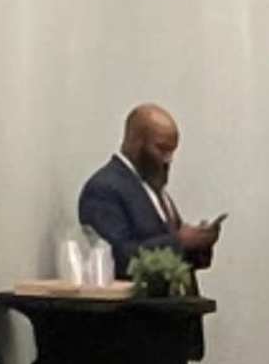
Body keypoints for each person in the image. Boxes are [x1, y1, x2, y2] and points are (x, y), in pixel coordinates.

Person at [74, 102, 219, 277]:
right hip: (136, 304)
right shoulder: (104, 189)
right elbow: (115, 259)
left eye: (172, 152)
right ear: (135, 141)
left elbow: (175, 259)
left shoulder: (153, 188)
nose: (168, 160)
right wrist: (179, 241)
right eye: (161, 149)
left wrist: (199, 243)